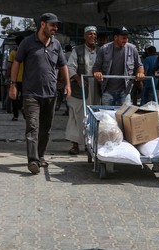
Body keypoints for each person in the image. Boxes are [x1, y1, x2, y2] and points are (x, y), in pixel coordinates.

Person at [8, 12, 71, 175]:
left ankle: (40, 156)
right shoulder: (28, 43)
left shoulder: (56, 44)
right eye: (52, 25)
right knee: (33, 127)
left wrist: (67, 84)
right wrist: (13, 84)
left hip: (50, 94)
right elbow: (16, 63)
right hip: (31, 94)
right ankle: (33, 160)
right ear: (42, 24)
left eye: (56, 25)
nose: (55, 28)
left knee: (46, 129)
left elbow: (63, 65)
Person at [65, 26, 99, 155]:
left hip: (95, 87)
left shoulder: (100, 51)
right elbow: (70, 67)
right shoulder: (77, 50)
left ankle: (89, 144)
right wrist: (78, 79)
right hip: (79, 88)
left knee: (92, 116)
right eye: (90, 34)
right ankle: (75, 145)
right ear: (85, 36)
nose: (92, 36)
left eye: (94, 34)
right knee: (76, 116)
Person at [92, 26, 144, 106]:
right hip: (107, 91)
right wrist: (97, 72)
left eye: (127, 38)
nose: (126, 40)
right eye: (123, 38)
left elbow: (139, 65)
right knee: (106, 117)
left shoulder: (132, 49)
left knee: (124, 116)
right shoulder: (104, 49)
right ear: (115, 37)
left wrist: (140, 73)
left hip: (125, 92)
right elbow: (96, 67)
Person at [6, 35, 24, 121]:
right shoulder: (27, 53)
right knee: (25, 97)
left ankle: (16, 115)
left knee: (14, 98)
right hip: (26, 79)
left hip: (15, 79)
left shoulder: (13, 53)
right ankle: (24, 109)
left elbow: (9, 66)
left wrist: (7, 77)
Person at [56, 44, 73, 115]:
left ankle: (68, 110)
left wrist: (59, 77)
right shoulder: (73, 55)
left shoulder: (64, 55)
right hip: (72, 77)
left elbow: (61, 67)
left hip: (64, 78)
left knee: (65, 94)